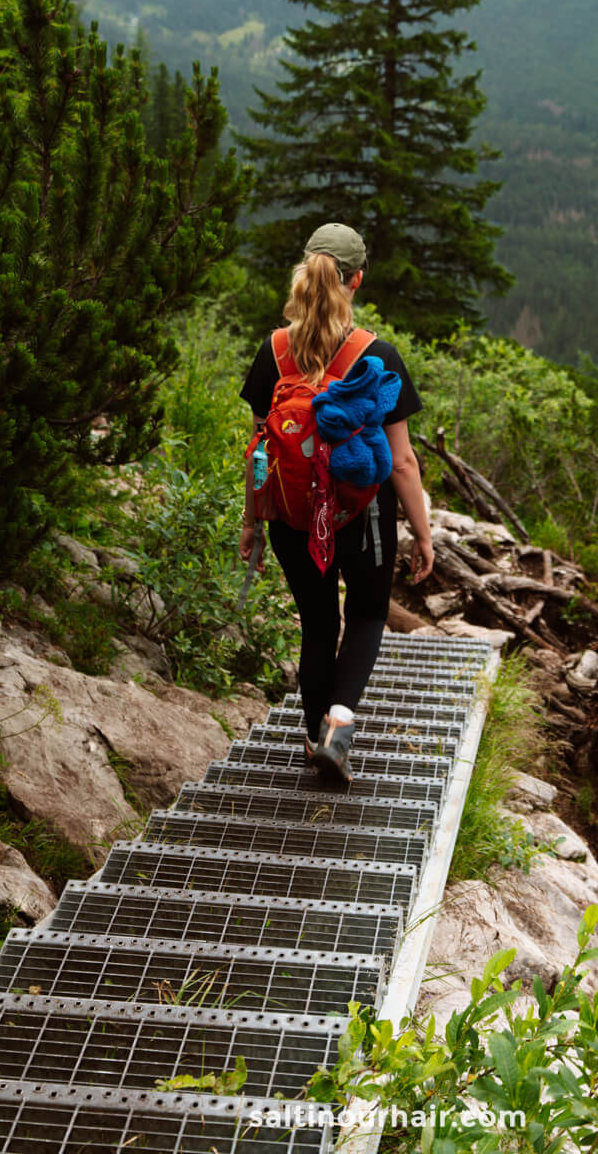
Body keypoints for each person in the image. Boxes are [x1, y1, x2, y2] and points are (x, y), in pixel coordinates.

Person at [240, 222, 434, 785]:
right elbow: (401, 462)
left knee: (317, 622)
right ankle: (339, 728)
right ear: (357, 279)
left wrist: (254, 520)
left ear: (305, 273)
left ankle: (309, 736)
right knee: (368, 615)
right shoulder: (378, 356)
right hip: (363, 516)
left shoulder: (274, 352)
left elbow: (259, 451)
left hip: (293, 514)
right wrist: (423, 535)